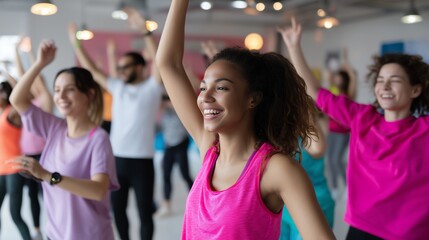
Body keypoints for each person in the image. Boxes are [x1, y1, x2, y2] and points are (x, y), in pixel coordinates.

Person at [155, 0, 336, 239]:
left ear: (252, 99)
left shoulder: (277, 169)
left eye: (221, 88)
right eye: (203, 87)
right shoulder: (210, 149)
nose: (205, 97)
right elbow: (167, 64)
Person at [279, 17, 429, 240]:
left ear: (415, 90)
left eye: (395, 80)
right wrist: (293, 46)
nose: (385, 86)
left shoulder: (424, 130)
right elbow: (314, 91)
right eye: (380, 80)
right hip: (362, 227)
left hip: (409, 234)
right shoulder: (363, 117)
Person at [68, 7, 163, 240]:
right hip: (117, 159)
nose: (120, 71)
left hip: (143, 161)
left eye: (126, 67)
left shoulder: (152, 88)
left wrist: (145, 33)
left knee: (144, 213)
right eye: (119, 68)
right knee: (118, 210)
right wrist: (76, 44)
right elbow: (92, 69)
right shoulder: (118, 87)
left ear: (141, 67)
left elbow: (161, 61)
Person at [9, 40, 119, 240]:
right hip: (55, 234)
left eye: (70, 89)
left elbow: (98, 190)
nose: (61, 96)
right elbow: (17, 99)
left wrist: (46, 175)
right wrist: (40, 63)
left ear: (89, 94)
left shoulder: (98, 139)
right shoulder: (54, 127)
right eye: (57, 90)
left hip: (90, 235)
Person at [13, 37, 53, 240]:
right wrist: (16, 50)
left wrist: (33, 57)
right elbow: (22, 77)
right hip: (27, 154)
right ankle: (36, 229)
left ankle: (51, 227)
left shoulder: (44, 102)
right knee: (31, 195)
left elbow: (35, 79)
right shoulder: (27, 104)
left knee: (44, 193)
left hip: (42, 155)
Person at [280, 114, 335, 240]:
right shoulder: (276, 128)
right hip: (284, 207)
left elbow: (317, 149)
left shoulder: (316, 120)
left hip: (315, 203)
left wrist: (303, 107)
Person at [0, 80, 32, 240]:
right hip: (1, 170)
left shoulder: (12, 112)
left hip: (14, 168)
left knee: (15, 215)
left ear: (5, 95)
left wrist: (7, 74)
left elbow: (24, 95)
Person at [325, 49, 357, 197]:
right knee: (330, 161)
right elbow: (329, 76)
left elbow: (352, 76)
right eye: (336, 78)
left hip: (343, 132)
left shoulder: (349, 93)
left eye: (339, 78)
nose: (337, 80)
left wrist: (345, 58)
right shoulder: (332, 91)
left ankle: (348, 187)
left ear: (344, 80)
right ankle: (334, 188)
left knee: (337, 160)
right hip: (331, 131)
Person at [157, 94, 194, 217]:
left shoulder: (180, 111)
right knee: (166, 175)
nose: (167, 103)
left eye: (168, 101)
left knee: (185, 174)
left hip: (180, 145)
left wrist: (172, 104)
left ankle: (195, 200)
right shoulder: (163, 113)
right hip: (169, 146)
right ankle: (166, 205)